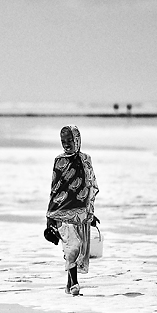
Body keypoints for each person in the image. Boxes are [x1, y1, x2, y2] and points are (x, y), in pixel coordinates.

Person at [45, 125, 98, 295]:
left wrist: (91, 213)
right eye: (63, 141)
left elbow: (89, 186)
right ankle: (75, 283)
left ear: (77, 140)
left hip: (82, 212)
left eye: (69, 140)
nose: (66, 144)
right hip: (62, 211)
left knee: (79, 247)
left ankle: (69, 285)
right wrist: (50, 216)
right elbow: (55, 188)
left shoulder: (86, 159)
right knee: (72, 247)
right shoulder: (59, 161)